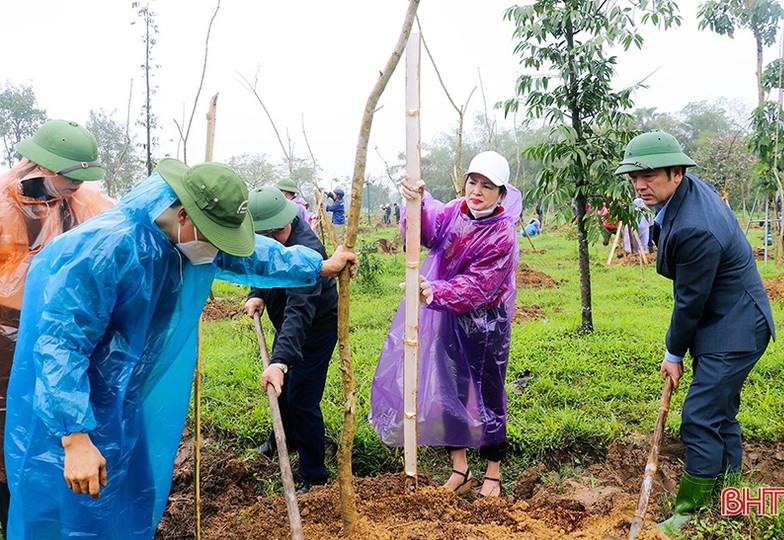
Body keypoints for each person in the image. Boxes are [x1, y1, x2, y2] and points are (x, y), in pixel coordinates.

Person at [4, 158, 356, 539]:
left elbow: (253, 255)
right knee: (76, 512)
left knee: (128, 499)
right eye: (213, 237)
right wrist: (74, 436)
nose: (217, 249)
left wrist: (319, 265)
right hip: (74, 406)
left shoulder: (189, 240)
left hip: (123, 402)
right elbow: (60, 345)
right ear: (184, 215)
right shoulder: (105, 250)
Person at [615, 131, 775, 536]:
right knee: (720, 412)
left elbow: (690, 303)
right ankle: (729, 495)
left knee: (700, 416)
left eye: (648, 174)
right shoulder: (682, 196)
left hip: (735, 327)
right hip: (728, 318)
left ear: (677, 171)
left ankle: (689, 512)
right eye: (634, 176)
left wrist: (674, 353)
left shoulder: (695, 228)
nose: (639, 184)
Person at [369, 151, 521, 499]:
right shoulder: (455, 210)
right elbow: (426, 232)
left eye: (487, 186)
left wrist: (433, 291)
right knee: (451, 388)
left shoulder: (502, 234)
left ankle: (493, 475)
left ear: (501, 193)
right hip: (447, 314)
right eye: (472, 181)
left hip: (485, 324)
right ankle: (461, 469)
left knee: (488, 394)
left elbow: (480, 286)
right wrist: (418, 203)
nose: (477, 191)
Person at [0, 119, 115, 536]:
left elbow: (118, 235)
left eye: (79, 180)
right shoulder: (4, 204)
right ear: (39, 166)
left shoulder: (84, 203)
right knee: (7, 430)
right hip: (5, 339)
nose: (73, 187)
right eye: (68, 179)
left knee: (53, 425)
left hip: (63, 332)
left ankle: (50, 508)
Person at [244, 187, 338, 495]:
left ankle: (314, 476)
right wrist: (256, 294)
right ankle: (281, 439)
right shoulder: (268, 241)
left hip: (314, 330)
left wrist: (279, 361)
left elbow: (299, 313)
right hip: (286, 325)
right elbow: (260, 266)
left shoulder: (307, 251)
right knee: (283, 393)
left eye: (276, 233)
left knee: (301, 398)